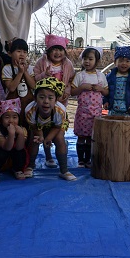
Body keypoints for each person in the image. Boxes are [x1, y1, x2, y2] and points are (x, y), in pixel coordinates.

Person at [34, 34, 75, 167]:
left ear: (64, 52)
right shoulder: (42, 62)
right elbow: (34, 78)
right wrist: (43, 75)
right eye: (54, 49)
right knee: (45, 130)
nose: (57, 52)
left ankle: (63, 164)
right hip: (45, 104)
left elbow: (70, 81)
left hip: (60, 103)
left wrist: (66, 92)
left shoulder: (68, 64)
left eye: (60, 49)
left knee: (58, 133)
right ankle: (48, 156)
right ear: (48, 51)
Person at [25, 77, 77, 181]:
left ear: (56, 99)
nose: (46, 101)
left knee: (59, 139)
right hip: (38, 125)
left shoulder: (60, 111)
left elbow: (57, 127)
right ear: (35, 98)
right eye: (42, 97)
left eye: (50, 98)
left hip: (56, 125)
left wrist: (48, 138)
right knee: (35, 140)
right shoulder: (30, 111)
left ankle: (64, 170)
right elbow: (35, 127)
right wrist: (40, 136)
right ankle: (30, 165)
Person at [71, 47, 109, 168]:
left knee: (91, 138)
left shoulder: (101, 76)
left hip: (95, 114)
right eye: (85, 59)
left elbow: (107, 92)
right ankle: (81, 160)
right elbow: (72, 92)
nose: (87, 61)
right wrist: (82, 87)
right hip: (82, 113)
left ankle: (88, 160)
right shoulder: (79, 76)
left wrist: (101, 89)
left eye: (90, 59)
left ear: (97, 61)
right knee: (81, 137)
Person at [0, 98, 28, 182]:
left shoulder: (22, 130)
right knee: (0, 152)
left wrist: (21, 134)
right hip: (4, 153)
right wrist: (11, 134)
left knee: (20, 152)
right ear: (1, 119)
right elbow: (6, 147)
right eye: (7, 117)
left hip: (14, 155)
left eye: (14, 117)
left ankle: (17, 169)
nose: (11, 121)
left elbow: (19, 147)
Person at [1, 38, 35, 127]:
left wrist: (25, 71)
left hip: (28, 104)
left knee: (28, 125)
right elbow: (11, 88)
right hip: (12, 106)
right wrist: (20, 72)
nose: (22, 54)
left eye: (25, 52)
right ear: (9, 54)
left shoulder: (30, 68)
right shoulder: (7, 68)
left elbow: (33, 86)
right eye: (18, 51)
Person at [104, 46, 130, 116]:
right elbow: (105, 90)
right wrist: (105, 101)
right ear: (115, 62)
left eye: (127, 61)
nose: (124, 63)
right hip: (113, 111)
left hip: (129, 111)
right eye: (121, 61)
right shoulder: (110, 77)